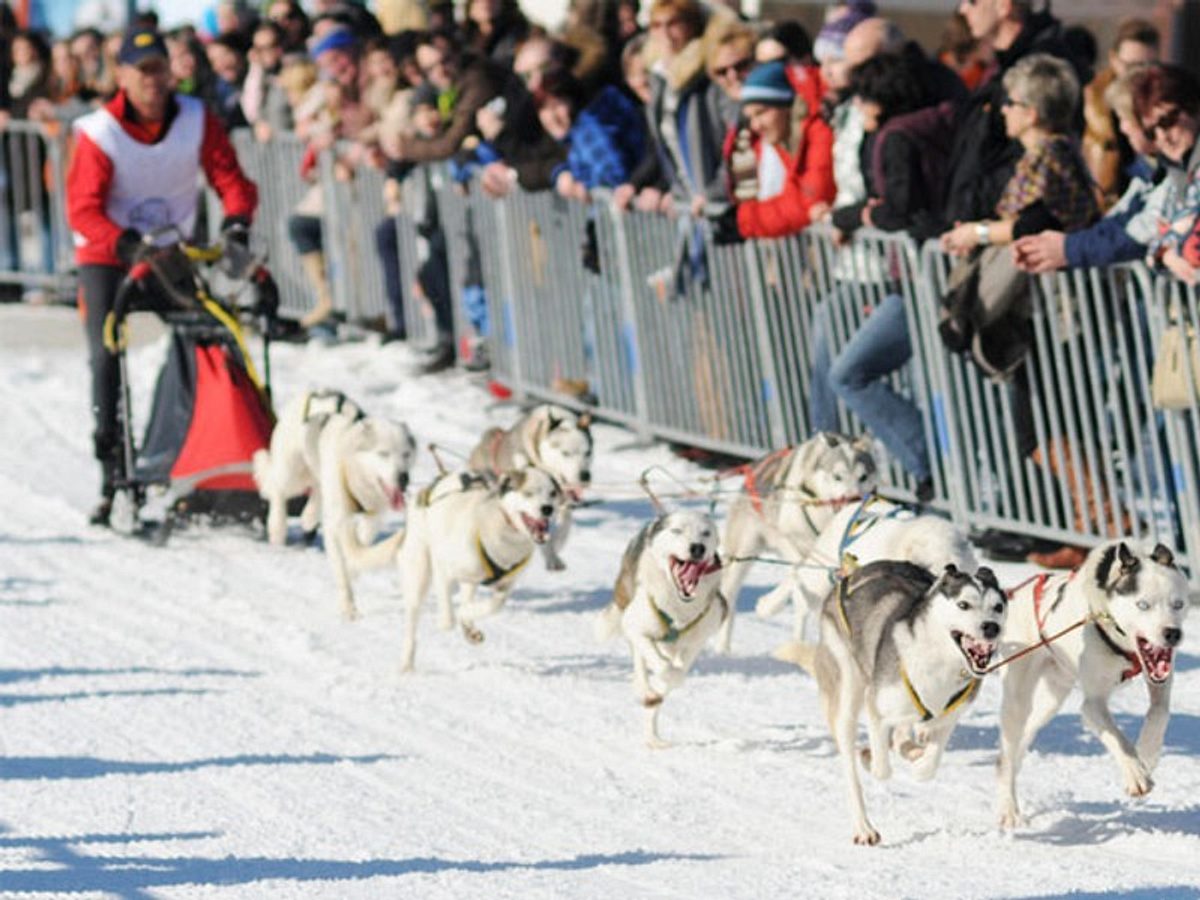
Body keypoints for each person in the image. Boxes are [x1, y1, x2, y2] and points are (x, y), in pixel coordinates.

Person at [66, 28, 258, 526]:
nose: (153, 79)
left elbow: (230, 178)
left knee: (212, 335)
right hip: (110, 257)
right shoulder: (98, 132)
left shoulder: (195, 120)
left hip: (172, 253)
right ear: (123, 76)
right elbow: (82, 209)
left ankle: (208, 451)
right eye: (142, 70)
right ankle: (112, 468)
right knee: (105, 354)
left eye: (159, 68)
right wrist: (127, 243)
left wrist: (237, 223)